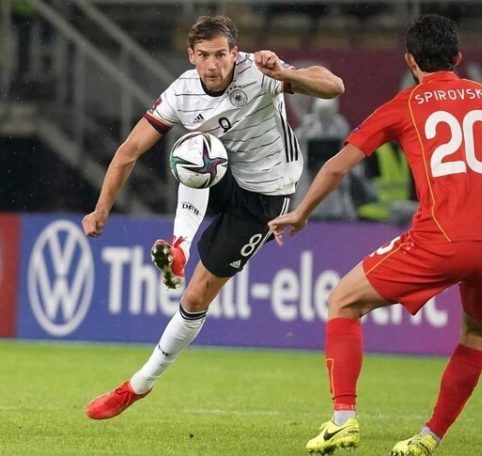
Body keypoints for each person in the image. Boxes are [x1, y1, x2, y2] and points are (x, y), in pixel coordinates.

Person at [268, 14, 482, 456]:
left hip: (439, 240)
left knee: (343, 302)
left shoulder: (406, 104)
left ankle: (343, 420)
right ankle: (429, 438)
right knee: (474, 336)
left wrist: (300, 212)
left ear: (410, 60)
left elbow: (337, 165)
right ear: (459, 58)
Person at [81, 15, 344, 420]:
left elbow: (333, 86)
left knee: (197, 294)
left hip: (266, 193)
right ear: (191, 56)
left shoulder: (259, 70)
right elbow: (129, 151)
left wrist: (284, 73)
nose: (213, 64)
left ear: (234, 53)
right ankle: (180, 248)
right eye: (203, 55)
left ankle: (140, 384)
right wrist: (101, 210)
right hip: (224, 172)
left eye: (221, 54)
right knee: (193, 150)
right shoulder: (182, 92)